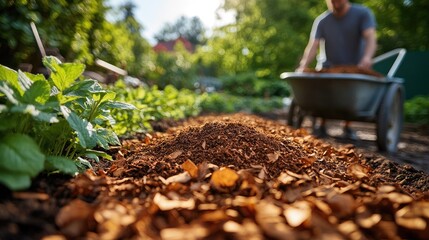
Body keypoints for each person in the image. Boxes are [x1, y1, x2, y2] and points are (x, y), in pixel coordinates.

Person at [296, 0, 377, 139]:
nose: (334, 2)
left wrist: (367, 57)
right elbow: (313, 45)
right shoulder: (322, 20)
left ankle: (348, 126)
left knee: (350, 92)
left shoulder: (362, 14)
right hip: (328, 68)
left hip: (354, 68)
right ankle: (321, 123)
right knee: (324, 89)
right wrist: (303, 65)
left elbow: (370, 37)